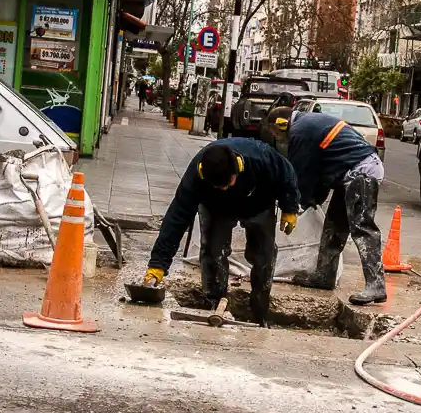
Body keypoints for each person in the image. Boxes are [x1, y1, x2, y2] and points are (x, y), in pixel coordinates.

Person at [142, 139, 300, 325]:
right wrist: (158, 264)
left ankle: (259, 310)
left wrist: (290, 207)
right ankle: (213, 304)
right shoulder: (196, 175)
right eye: (219, 186)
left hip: (258, 202)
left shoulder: (260, 157)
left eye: (228, 183)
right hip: (216, 208)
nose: (224, 188)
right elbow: (177, 216)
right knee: (213, 252)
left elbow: (286, 174)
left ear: (237, 169)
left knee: (264, 255)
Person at [265, 107, 386, 305]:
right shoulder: (308, 125)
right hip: (348, 173)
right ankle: (324, 276)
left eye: (275, 133)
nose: (276, 137)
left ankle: (376, 285)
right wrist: (313, 200)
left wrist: (293, 205)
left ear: (281, 123)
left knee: (362, 228)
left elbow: (298, 174)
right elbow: (318, 171)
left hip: (362, 173)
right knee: (334, 228)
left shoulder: (300, 131)